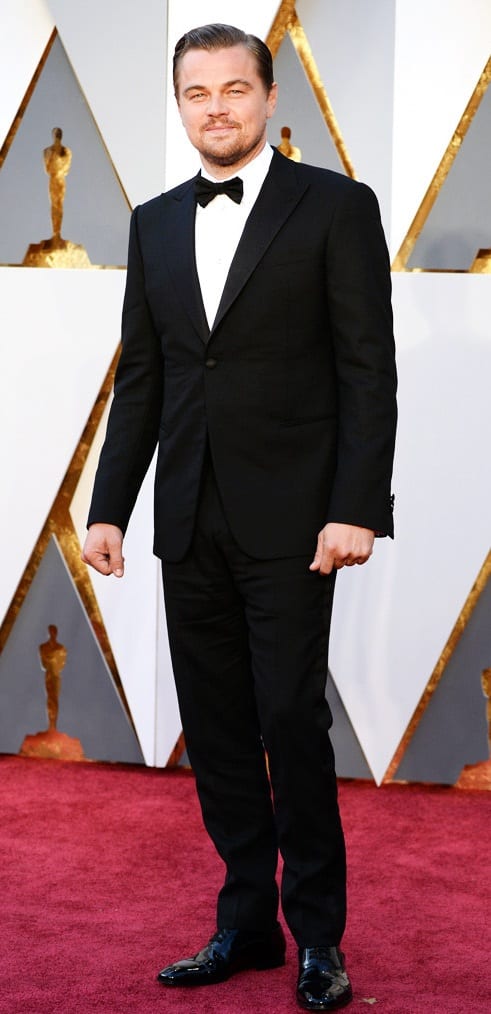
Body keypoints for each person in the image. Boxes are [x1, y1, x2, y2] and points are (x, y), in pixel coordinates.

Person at [82, 23, 397, 1011]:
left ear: (267, 97)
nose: (215, 108)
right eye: (197, 92)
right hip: (188, 515)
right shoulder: (153, 221)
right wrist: (108, 507)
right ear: (179, 104)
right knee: (216, 727)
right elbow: (145, 377)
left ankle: (318, 938)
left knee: (289, 720)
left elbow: (366, 370)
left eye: (233, 89)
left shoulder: (335, 207)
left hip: (297, 519)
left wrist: (355, 508)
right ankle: (246, 923)